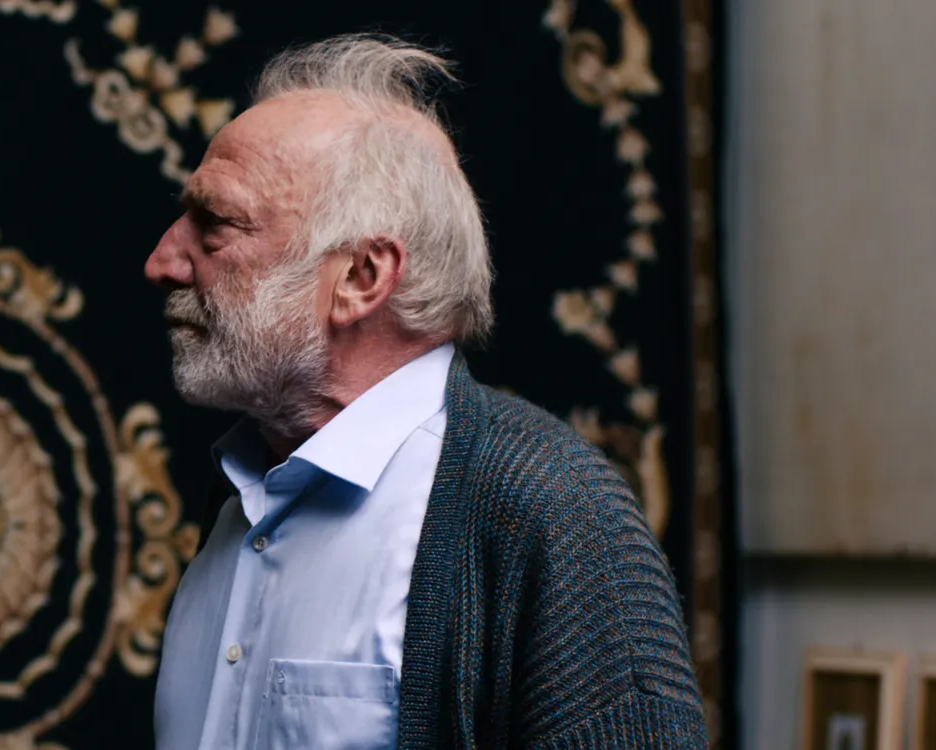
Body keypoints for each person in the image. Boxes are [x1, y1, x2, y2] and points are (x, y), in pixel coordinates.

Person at [146, 34, 706, 749]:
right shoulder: (236, 501)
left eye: (215, 225)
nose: (163, 262)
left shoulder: (557, 511)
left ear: (361, 278)